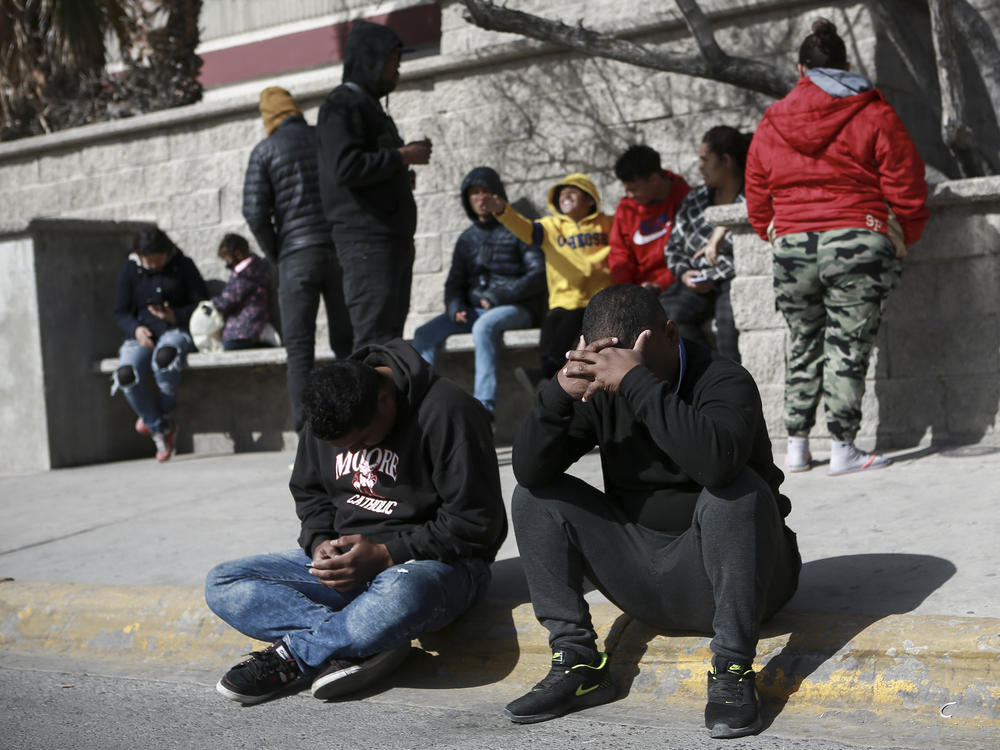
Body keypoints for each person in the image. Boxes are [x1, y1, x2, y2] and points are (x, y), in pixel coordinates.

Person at [504, 284, 800, 739]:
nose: (616, 377)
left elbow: (716, 465)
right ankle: (578, 663)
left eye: (632, 361)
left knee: (735, 490)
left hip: (743, 581)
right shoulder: (598, 388)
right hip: (646, 577)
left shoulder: (724, 380)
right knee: (535, 496)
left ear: (671, 334)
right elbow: (529, 469)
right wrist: (558, 395)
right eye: (610, 363)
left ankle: (733, 671)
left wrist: (638, 382)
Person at [205, 339, 507, 705]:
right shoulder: (328, 415)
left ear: (384, 400)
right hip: (350, 568)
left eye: (362, 441)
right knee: (223, 582)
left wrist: (386, 554)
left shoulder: (448, 410)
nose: (353, 455)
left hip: (434, 567)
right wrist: (320, 543)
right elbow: (310, 491)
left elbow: (477, 522)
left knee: (401, 594)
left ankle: (294, 656)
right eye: (342, 448)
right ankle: (366, 641)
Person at [745, 18, 928, 475]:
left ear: (800, 67)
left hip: (792, 245)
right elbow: (906, 184)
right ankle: (844, 448)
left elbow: (756, 191)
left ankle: (797, 447)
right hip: (857, 237)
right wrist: (903, 233)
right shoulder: (873, 111)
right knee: (847, 344)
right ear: (847, 65)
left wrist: (772, 228)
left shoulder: (772, 119)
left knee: (802, 341)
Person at [243, 86, 353, 433]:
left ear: (268, 116)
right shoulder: (325, 138)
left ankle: (309, 438)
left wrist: (276, 250)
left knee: (300, 351)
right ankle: (355, 426)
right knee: (346, 343)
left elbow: (254, 211)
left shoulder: (265, 151)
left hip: (295, 257)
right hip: (338, 249)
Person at [317, 21, 432, 348]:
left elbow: (369, 166)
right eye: (393, 60)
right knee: (373, 344)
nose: (398, 69)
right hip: (367, 243)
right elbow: (346, 167)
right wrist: (402, 156)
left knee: (389, 343)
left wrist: (399, 171)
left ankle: (386, 400)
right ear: (372, 60)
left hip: (390, 241)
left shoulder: (370, 107)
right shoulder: (342, 105)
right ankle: (366, 400)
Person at [412, 167, 546, 416]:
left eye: (486, 192)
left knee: (484, 327)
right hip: (475, 309)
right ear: (467, 199)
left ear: (498, 196)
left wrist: (499, 296)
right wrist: (455, 306)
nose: (481, 198)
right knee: (424, 334)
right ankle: (423, 408)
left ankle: (484, 408)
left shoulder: (519, 229)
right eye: (474, 193)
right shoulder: (467, 239)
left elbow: (538, 276)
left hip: (517, 307)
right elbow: (454, 282)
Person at [481, 173, 613, 392]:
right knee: (551, 323)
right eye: (561, 194)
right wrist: (502, 211)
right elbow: (526, 230)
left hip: (598, 299)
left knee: (573, 319)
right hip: (563, 299)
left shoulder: (607, 223)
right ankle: (547, 376)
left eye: (572, 192)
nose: (565, 197)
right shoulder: (551, 227)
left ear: (590, 199)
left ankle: (545, 375)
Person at [111, 227, 208, 462]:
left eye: (158, 260)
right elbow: (120, 312)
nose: (154, 265)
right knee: (125, 374)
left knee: (165, 358)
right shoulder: (130, 270)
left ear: (168, 252)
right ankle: (161, 427)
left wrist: (175, 316)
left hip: (175, 331)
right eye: (149, 260)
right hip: (141, 335)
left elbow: (203, 304)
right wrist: (136, 329)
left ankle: (155, 418)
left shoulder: (184, 266)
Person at [663, 126, 753, 363]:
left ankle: (736, 385)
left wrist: (716, 268)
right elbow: (673, 247)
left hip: (735, 279)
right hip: (696, 281)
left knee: (729, 327)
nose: (700, 166)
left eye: (705, 159)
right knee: (671, 315)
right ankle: (709, 374)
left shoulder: (754, 197)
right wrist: (684, 274)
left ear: (726, 161)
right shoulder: (695, 199)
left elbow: (752, 252)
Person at [609, 144, 691, 299]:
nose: (630, 195)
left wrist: (660, 284)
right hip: (638, 292)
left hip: (678, 285)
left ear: (653, 179)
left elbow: (691, 252)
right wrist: (627, 291)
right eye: (626, 189)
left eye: (633, 189)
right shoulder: (626, 208)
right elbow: (619, 254)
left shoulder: (686, 199)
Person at [211, 233, 274, 351]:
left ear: (238, 254)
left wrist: (212, 303)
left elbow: (227, 301)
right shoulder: (257, 268)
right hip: (254, 328)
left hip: (240, 332)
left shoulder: (244, 275)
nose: (227, 264)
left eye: (227, 259)